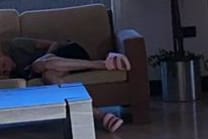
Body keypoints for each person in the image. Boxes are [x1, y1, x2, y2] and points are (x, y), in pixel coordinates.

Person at [0, 37, 130, 133]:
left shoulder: (16, 45)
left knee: (39, 65)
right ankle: (101, 116)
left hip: (67, 53)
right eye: (3, 72)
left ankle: (102, 64)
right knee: (48, 77)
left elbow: (54, 43)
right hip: (56, 69)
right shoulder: (15, 74)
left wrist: (45, 58)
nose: (5, 69)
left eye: (3, 64)